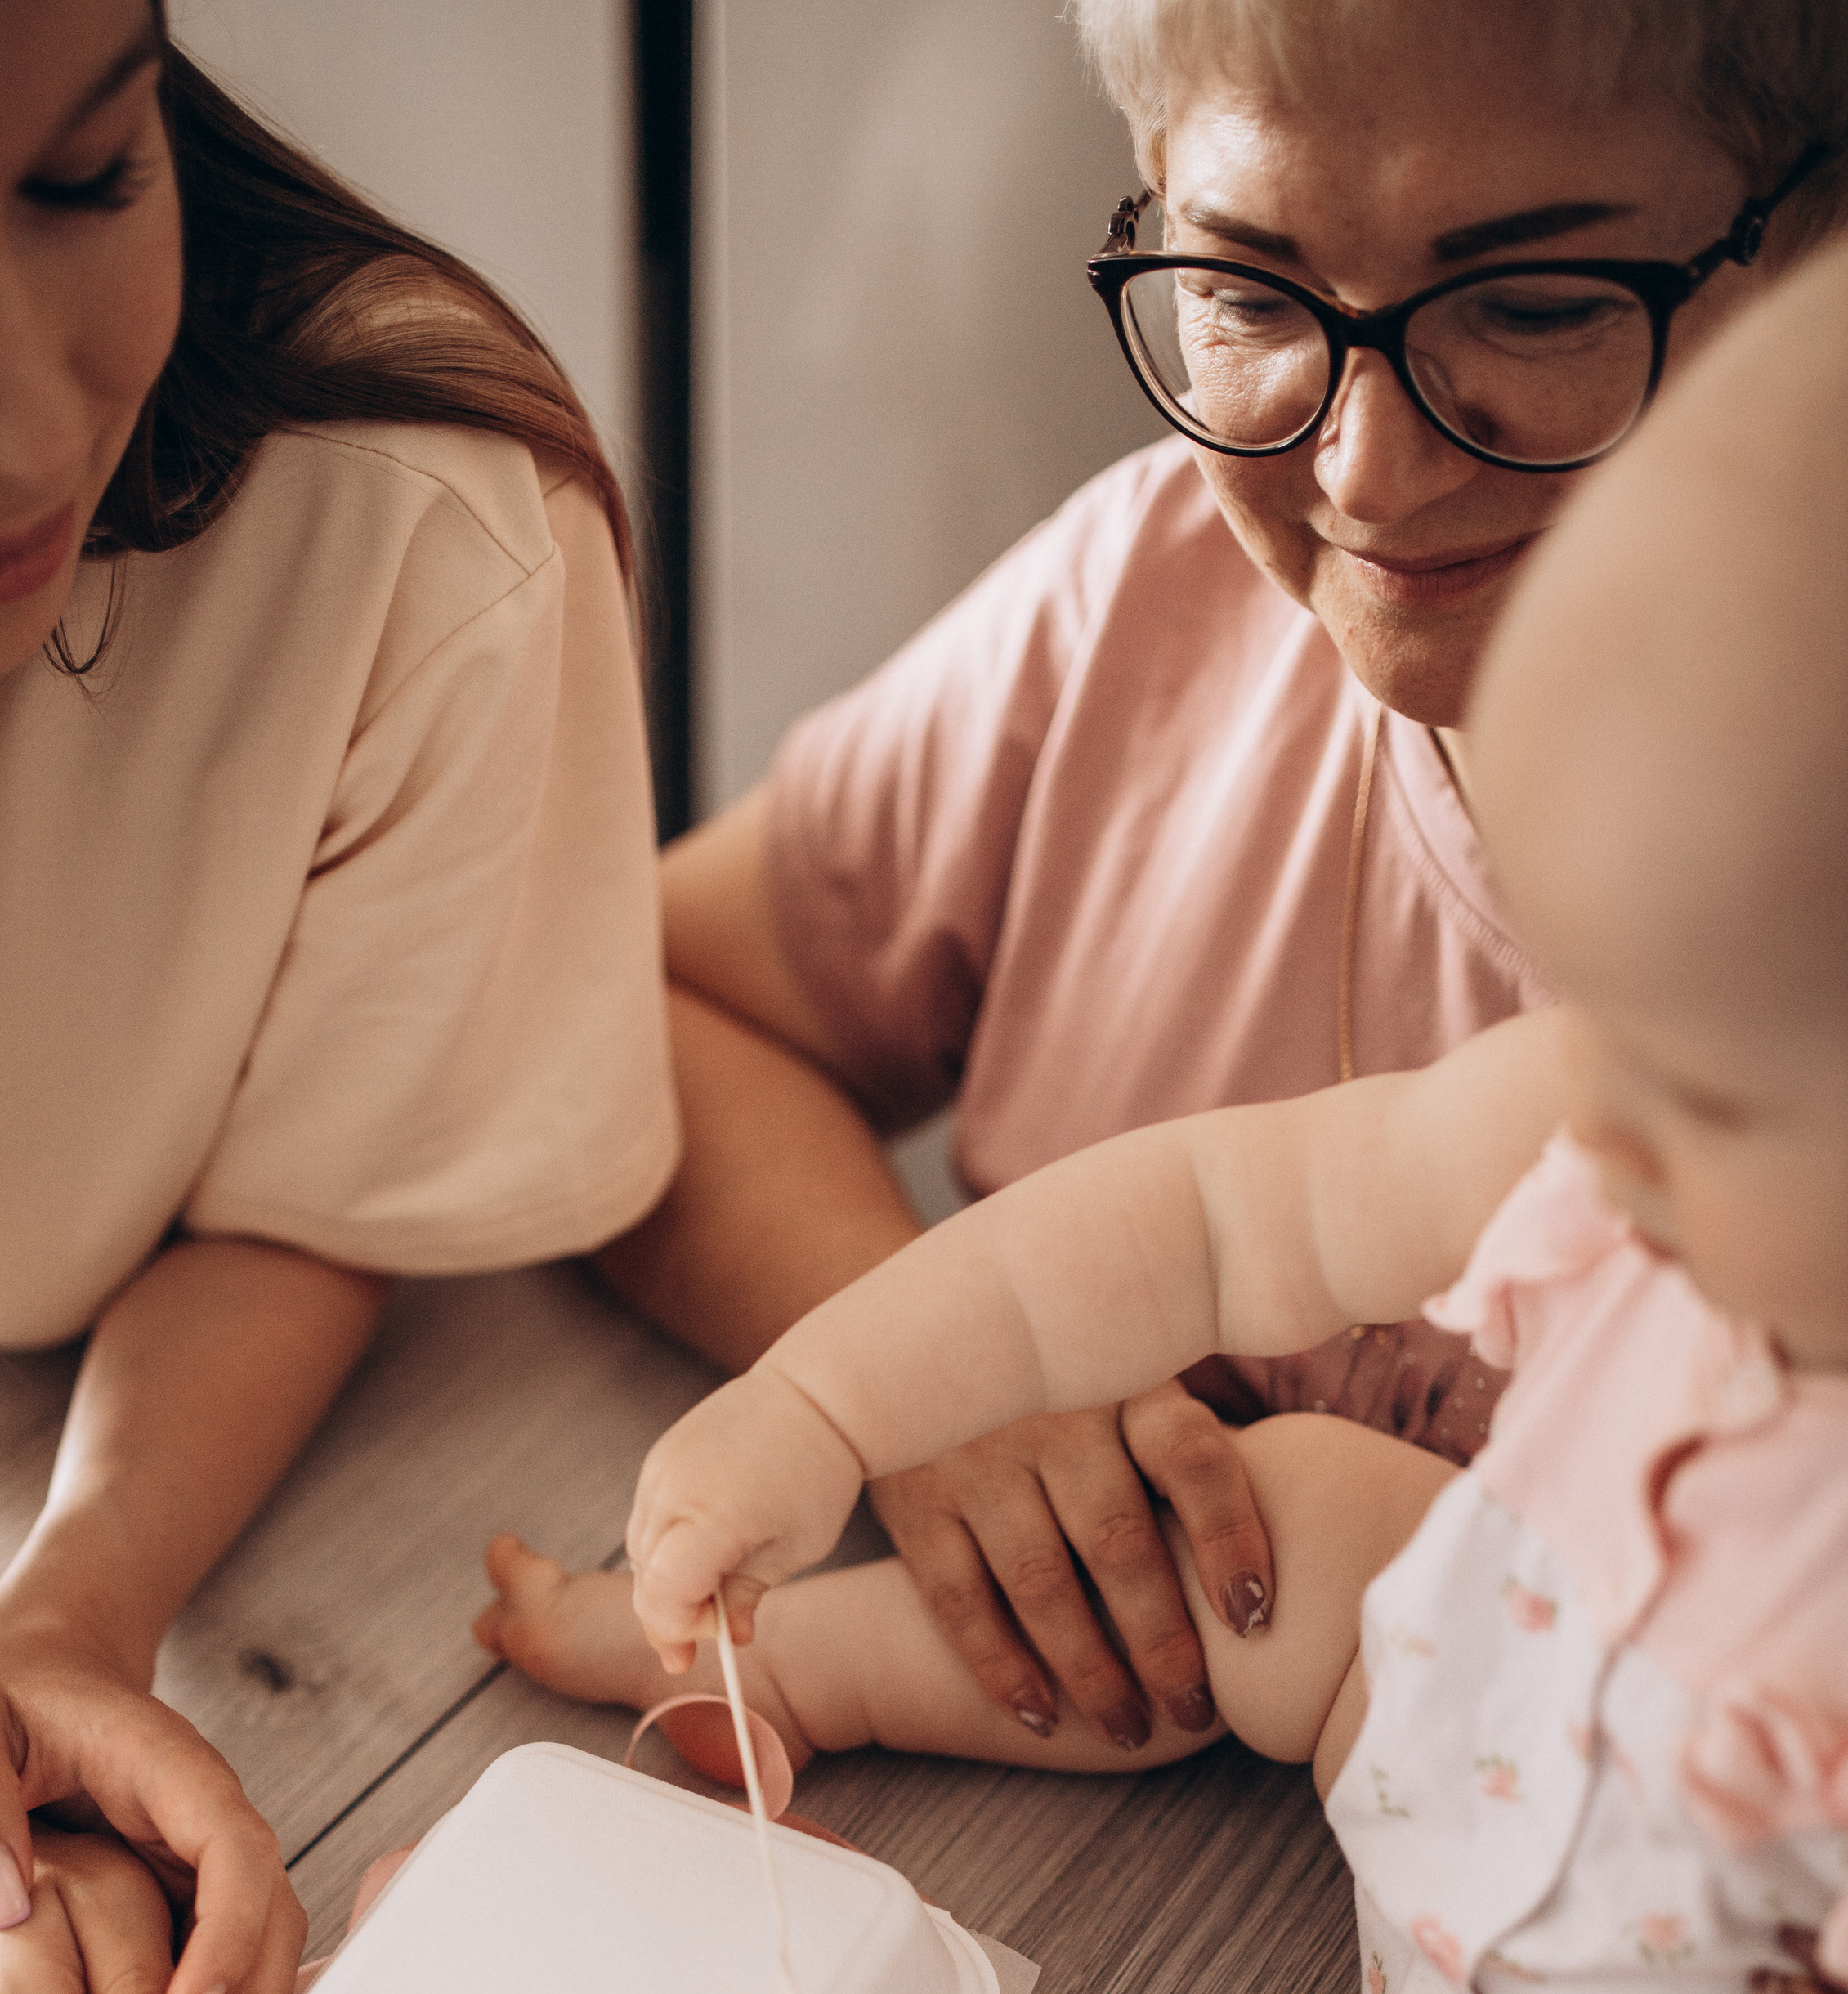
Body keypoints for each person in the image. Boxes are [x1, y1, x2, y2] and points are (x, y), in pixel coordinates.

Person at [499, 224, 1848, 1994]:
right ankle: (770, 1653)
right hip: (1431, 1679)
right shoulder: (1636, 1066)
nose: (1589, 1126)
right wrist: (824, 1408)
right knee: (1259, 1535)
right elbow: (1212, 1219)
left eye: (1706, 1088)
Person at [576, 0, 1846, 1768]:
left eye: (1537, 304)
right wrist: (929, 1398)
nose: (1363, 472)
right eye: (1248, 292)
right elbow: (630, 1008)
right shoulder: (1138, 609)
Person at [0, 0, 675, 1994]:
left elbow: (314, 1190)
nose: (19, 417)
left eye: (92, 175)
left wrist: (70, 1610)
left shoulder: (415, 537)